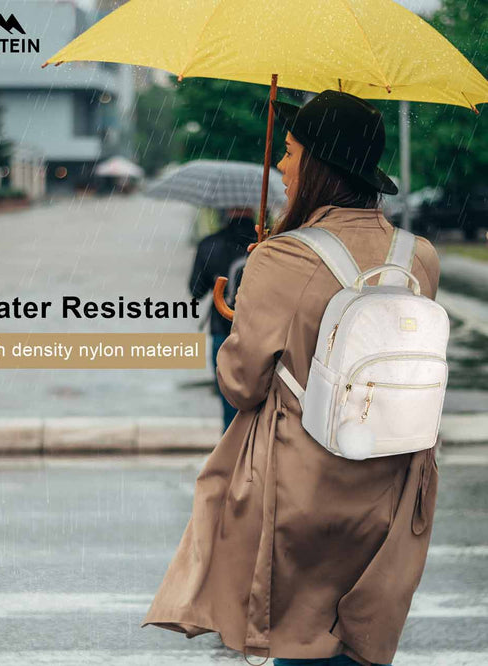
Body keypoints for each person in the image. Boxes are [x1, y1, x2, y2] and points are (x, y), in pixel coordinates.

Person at [142, 90, 440, 666]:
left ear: (318, 165)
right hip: (396, 487)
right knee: (359, 646)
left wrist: (252, 298)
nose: (281, 165)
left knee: (302, 649)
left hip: (308, 489)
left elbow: (242, 382)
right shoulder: (418, 256)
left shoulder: (282, 258)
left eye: (290, 150)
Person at [189, 207, 257, 432]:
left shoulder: (210, 244)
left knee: (228, 402)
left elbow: (196, 290)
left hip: (222, 331)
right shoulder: (268, 244)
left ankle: (229, 453)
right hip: (260, 334)